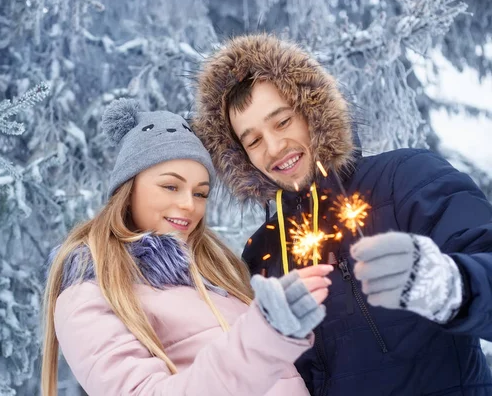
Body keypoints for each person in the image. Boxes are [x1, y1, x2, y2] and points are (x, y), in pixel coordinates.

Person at [193, 33, 492, 395]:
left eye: (282, 121)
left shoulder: (405, 179)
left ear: (312, 112)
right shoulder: (263, 253)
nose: (273, 148)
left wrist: (451, 286)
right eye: (253, 141)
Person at [41, 98, 334, 396]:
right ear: (127, 190)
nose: (188, 205)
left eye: (200, 193)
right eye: (170, 186)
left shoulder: (219, 279)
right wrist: (264, 336)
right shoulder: (92, 291)